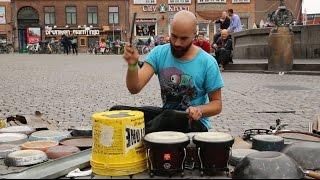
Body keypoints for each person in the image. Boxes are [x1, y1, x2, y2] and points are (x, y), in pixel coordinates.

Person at [120, 10, 224, 134]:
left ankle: (138, 137)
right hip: (165, 118)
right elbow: (134, 88)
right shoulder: (159, 53)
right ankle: (138, 134)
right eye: (174, 36)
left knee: (170, 117)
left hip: (194, 123)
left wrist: (199, 110)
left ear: (194, 34)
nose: (177, 43)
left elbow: (217, 104)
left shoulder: (208, 62)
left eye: (184, 38)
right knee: (118, 113)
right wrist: (132, 65)